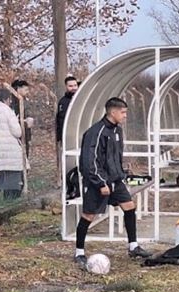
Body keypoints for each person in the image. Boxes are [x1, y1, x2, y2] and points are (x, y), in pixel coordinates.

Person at [74, 97, 152, 269]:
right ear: (113, 112)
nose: (125, 116)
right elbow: (89, 161)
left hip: (115, 180)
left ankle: (133, 247)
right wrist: (101, 183)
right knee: (88, 216)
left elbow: (115, 157)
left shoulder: (117, 130)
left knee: (129, 207)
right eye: (123, 112)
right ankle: (79, 252)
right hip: (97, 182)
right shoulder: (96, 132)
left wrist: (121, 174)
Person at [0, 88, 26, 201]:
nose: (10, 102)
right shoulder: (8, 112)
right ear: (5, 99)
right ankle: (11, 197)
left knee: (1, 173)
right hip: (9, 148)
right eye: (9, 99)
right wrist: (20, 124)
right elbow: (17, 132)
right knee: (14, 172)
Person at [10, 79, 33, 159]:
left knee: (25, 154)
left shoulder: (24, 100)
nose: (27, 92)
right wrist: (23, 121)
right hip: (16, 133)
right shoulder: (12, 102)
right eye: (25, 90)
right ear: (18, 89)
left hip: (25, 132)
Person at [56, 76, 79, 144]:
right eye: (70, 86)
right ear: (66, 86)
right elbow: (60, 120)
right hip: (68, 136)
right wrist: (60, 137)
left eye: (75, 85)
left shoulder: (82, 99)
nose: (73, 88)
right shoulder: (63, 102)